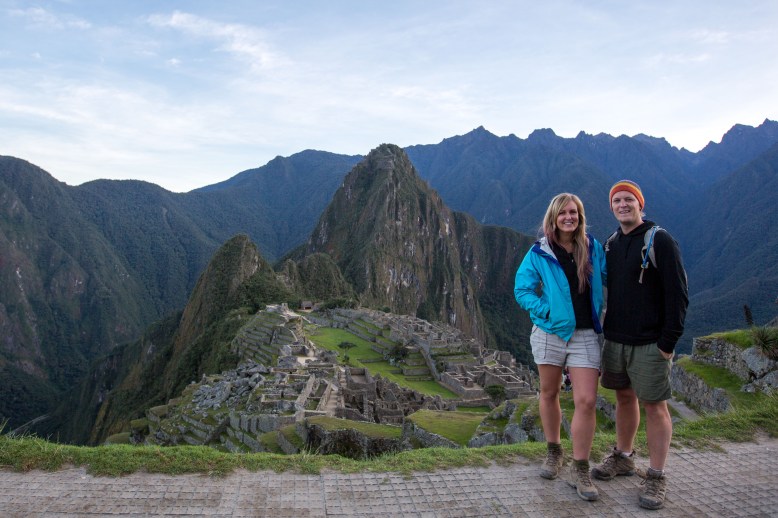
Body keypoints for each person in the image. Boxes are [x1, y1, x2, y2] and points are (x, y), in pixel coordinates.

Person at [592, 180, 688, 510]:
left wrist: (668, 341)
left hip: (650, 341)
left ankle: (657, 475)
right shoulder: (611, 243)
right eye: (617, 200)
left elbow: (678, 293)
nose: (622, 205)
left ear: (640, 204)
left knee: (655, 405)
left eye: (628, 200)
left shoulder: (659, 239)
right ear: (611, 207)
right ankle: (624, 456)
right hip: (617, 338)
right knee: (624, 398)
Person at [514, 193, 607, 502]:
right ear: (553, 218)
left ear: (580, 217)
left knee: (586, 400)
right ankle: (554, 450)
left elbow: (614, 276)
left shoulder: (592, 248)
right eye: (563, 213)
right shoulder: (539, 252)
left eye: (574, 212)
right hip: (550, 333)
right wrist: (547, 311)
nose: (569, 217)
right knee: (549, 392)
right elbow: (522, 289)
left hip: (584, 334)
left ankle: (580, 467)